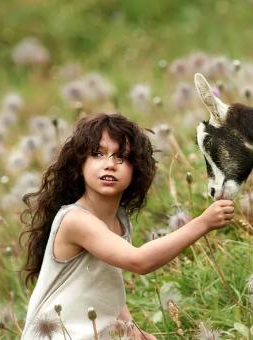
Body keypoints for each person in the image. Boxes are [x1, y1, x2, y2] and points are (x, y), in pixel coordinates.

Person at [19, 113, 235, 339]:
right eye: (98, 154)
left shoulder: (119, 219)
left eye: (121, 157)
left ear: (135, 169)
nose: (110, 164)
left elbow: (106, 286)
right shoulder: (76, 220)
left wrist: (132, 329)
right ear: (79, 165)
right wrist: (203, 223)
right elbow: (139, 261)